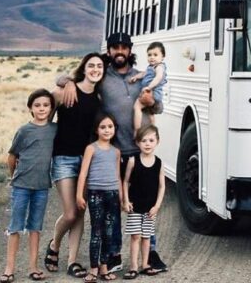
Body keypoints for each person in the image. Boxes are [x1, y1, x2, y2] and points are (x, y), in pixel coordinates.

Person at [61, 32, 168, 273]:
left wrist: (152, 102)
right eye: (114, 48)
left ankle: (149, 254)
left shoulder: (143, 75)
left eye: (124, 47)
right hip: (115, 153)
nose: (119, 51)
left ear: (130, 50)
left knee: (144, 204)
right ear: (108, 51)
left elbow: (159, 105)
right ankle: (113, 254)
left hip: (140, 152)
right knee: (117, 207)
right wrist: (67, 81)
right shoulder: (102, 77)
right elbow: (75, 78)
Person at [45, 53, 105, 278]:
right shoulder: (63, 92)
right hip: (63, 158)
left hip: (87, 161)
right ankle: (54, 245)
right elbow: (44, 123)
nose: (95, 69)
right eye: (91, 65)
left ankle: (72, 261)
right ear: (84, 68)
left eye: (99, 66)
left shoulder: (99, 98)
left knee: (81, 210)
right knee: (70, 213)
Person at [0, 89, 57, 283]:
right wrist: (14, 177)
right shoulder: (24, 131)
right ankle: (9, 269)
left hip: (42, 186)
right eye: (37, 105)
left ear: (51, 108)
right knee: (15, 226)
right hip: (22, 186)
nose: (42, 109)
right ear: (30, 108)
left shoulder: (54, 130)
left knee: (35, 228)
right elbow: (12, 157)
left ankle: (33, 267)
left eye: (46, 105)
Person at [76, 112, 123, 282]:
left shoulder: (116, 152)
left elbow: (118, 176)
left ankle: (104, 266)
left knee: (109, 232)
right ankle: (93, 268)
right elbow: (83, 174)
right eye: (103, 127)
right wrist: (80, 195)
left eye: (110, 127)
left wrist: (122, 198)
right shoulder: (91, 148)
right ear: (96, 130)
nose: (107, 130)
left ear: (114, 129)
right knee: (96, 231)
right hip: (95, 194)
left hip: (112, 194)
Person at [121, 125, 166, 278]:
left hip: (150, 208)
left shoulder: (159, 163)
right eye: (144, 140)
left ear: (157, 142)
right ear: (138, 143)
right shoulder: (133, 161)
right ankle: (133, 266)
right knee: (135, 236)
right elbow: (126, 181)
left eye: (151, 140)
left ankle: (145, 264)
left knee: (146, 237)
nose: (147, 143)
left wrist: (157, 206)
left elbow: (162, 186)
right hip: (135, 206)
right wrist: (126, 201)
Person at [131, 42, 167, 131]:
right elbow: (144, 74)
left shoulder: (159, 67)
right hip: (152, 93)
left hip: (153, 92)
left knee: (137, 107)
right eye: (149, 55)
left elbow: (159, 77)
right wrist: (136, 77)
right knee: (150, 112)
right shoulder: (151, 67)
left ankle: (137, 130)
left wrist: (149, 87)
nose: (152, 57)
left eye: (155, 55)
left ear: (163, 57)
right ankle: (153, 129)